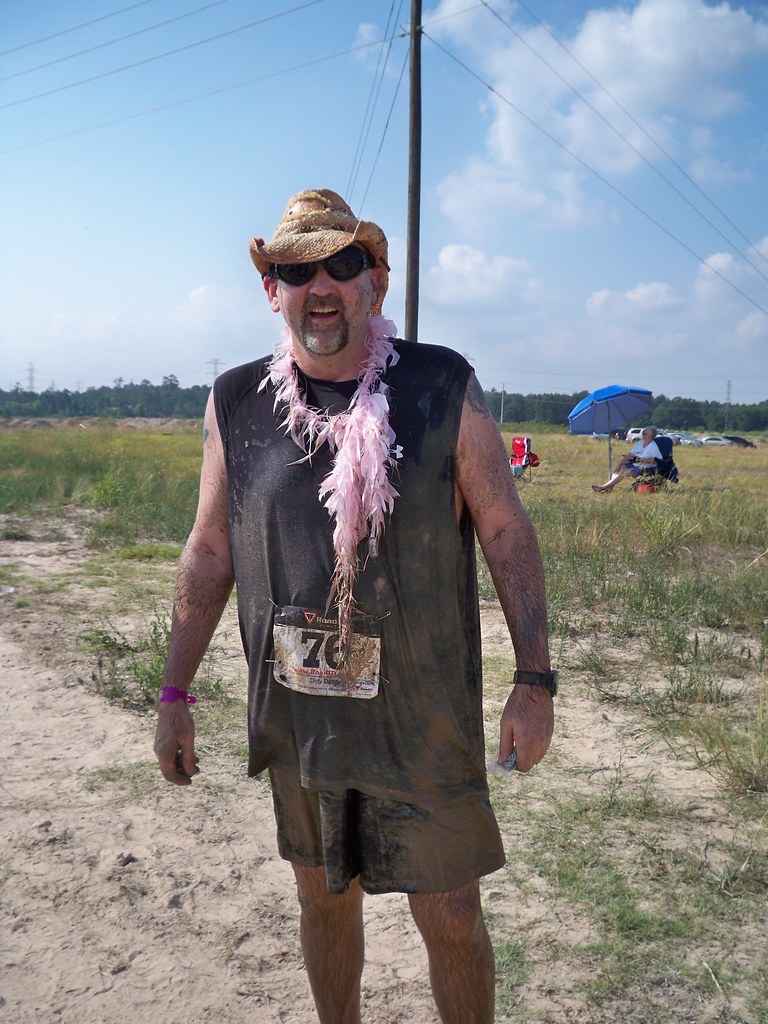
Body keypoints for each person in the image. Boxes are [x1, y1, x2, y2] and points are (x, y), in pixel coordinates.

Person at [153, 188, 555, 1024]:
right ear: (273, 289)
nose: (321, 285)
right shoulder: (236, 402)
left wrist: (535, 678)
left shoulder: (442, 385)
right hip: (304, 720)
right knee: (325, 903)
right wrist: (173, 695)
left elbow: (507, 531)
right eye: (298, 270)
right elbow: (209, 551)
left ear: (375, 277)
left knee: (449, 915)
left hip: (425, 713)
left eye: (343, 264)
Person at [592, 427, 663, 493]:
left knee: (624, 471)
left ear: (650, 436)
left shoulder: (653, 446)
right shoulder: (640, 443)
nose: (642, 435)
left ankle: (604, 487)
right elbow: (630, 454)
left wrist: (644, 460)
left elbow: (659, 460)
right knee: (620, 468)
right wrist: (619, 464)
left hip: (646, 468)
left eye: (644, 434)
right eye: (643, 433)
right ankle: (609, 487)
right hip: (636, 464)